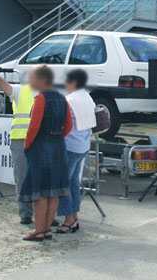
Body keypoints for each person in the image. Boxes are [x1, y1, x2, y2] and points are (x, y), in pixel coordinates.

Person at [20, 65, 73, 241]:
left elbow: (34, 126)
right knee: (54, 190)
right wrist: (57, 137)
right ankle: (47, 229)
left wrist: (28, 146)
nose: (30, 81)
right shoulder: (62, 98)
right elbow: (69, 125)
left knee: (40, 191)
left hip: (41, 146)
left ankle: (39, 230)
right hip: (58, 146)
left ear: (42, 79)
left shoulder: (41, 98)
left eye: (32, 78)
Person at [0, 64, 37, 224]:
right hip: (21, 139)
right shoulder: (22, 90)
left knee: (40, 179)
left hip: (38, 141)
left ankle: (43, 214)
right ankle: (26, 214)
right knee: (22, 177)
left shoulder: (47, 92)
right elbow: (4, 86)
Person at [56, 69, 96, 233]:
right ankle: (74, 216)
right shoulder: (88, 97)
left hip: (70, 146)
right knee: (73, 182)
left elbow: (62, 124)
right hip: (84, 146)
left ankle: (68, 219)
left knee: (64, 183)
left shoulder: (68, 100)